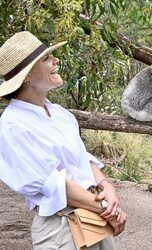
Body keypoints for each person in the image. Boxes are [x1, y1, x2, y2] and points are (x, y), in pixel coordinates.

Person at [0, 31, 127, 249]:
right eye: (46, 58)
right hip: (61, 227)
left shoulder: (60, 114)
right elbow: (53, 184)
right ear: (28, 75)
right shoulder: (13, 125)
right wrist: (108, 209)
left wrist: (107, 187)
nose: (55, 60)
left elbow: (81, 159)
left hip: (94, 217)